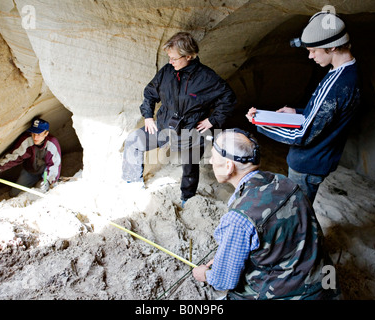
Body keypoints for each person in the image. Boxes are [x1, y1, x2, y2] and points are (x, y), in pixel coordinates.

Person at [192, 129, 339, 300]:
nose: (210, 161)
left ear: (228, 166)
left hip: (290, 294)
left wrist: (206, 274)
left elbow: (224, 281)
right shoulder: (284, 181)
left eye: (213, 157)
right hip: (324, 281)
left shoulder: (239, 218)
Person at [246, 11, 361, 204]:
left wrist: (260, 122)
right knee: (301, 211)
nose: (310, 56)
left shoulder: (339, 85)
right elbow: (324, 115)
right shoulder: (346, 71)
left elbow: (303, 135)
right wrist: (298, 112)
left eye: (313, 50)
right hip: (318, 159)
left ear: (332, 47)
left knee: (299, 215)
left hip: (308, 163)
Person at [122, 32, 236, 207]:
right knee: (133, 141)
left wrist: (212, 120)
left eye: (174, 58)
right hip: (164, 125)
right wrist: (148, 116)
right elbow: (150, 93)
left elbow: (228, 97)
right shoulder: (167, 72)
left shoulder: (207, 77)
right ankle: (133, 184)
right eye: (169, 57)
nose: (170, 62)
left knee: (190, 166)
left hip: (190, 129)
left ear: (189, 56)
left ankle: (187, 198)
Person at [0, 118, 62, 196]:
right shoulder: (27, 140)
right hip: (30, 171)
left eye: (38, 134)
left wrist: (48, 181)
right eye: (33, 133)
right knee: (14, 194)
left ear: (46, 133)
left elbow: (54, 164)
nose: (35, 137)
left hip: (45, 173)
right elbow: (14, 157)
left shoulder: (52, 143)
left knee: (41, 192)